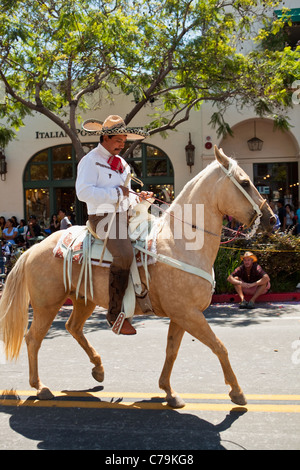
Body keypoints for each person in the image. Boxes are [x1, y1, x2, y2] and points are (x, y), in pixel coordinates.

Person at [76, 114, 151, 335]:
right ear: (105, 138)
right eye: (118, 140)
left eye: (124, 141)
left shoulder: (123, 164)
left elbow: (125, 196)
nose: (121, 145)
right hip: (102, 218)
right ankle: (115, 315)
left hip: (125, 215)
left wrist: (139, 197)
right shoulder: (90, 161)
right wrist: (117, 193)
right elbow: (83, 192)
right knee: (125, 254)